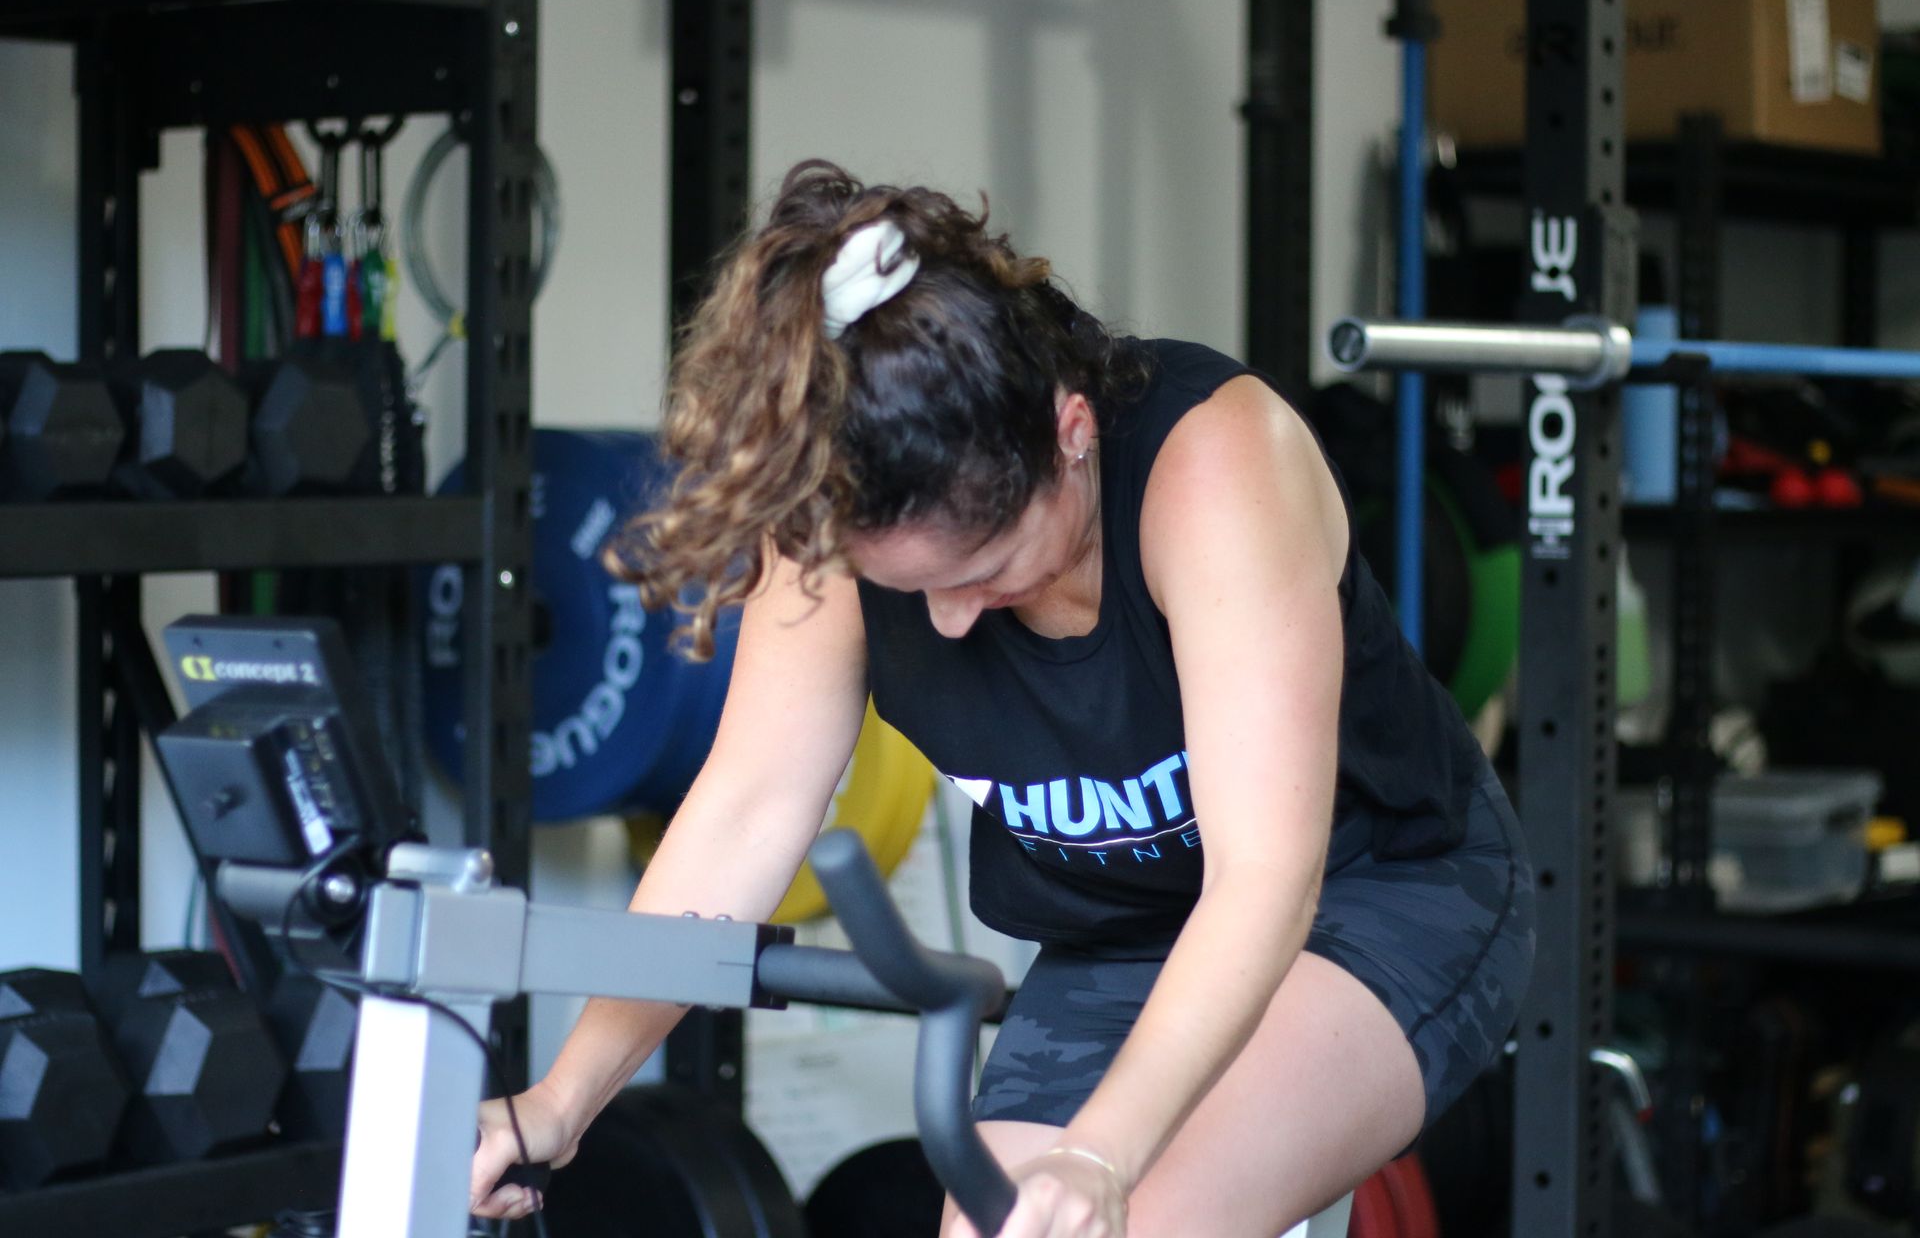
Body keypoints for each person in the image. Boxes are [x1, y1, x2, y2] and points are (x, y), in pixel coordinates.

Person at [470, 160, 1535, 1238]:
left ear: (1070, 429)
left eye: (981, 566)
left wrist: (1100, 1151)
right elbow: (743, 814)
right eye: (911, 585)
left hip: (1375, 892)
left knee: (1145, 1219)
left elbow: (1264, 882)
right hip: (1118, 935)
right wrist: (565, 1097)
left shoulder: (1213, 467)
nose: (944, 621)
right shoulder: (837, 524)